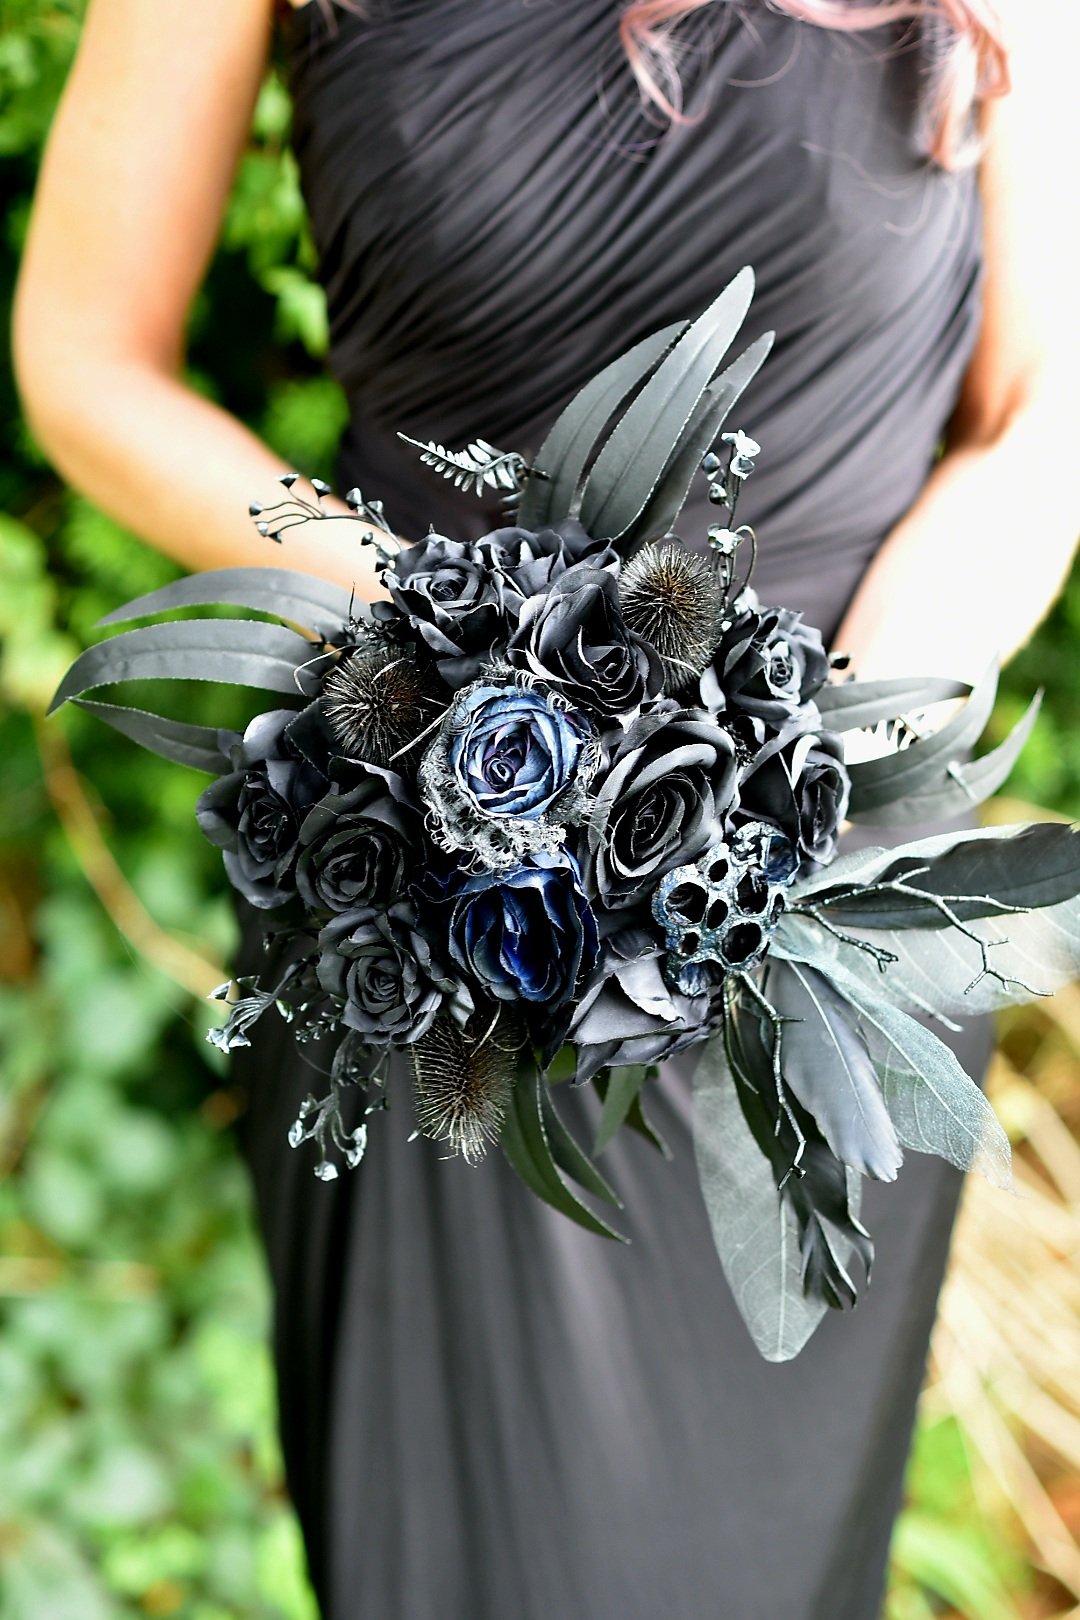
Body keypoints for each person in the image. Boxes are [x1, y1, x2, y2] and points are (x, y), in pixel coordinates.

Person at [13, 2, 1079, 1616]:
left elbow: (1041, 422)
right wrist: (461, 650)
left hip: (819, 918)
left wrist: (784, 772)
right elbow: (86, 356)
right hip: (438, 876)